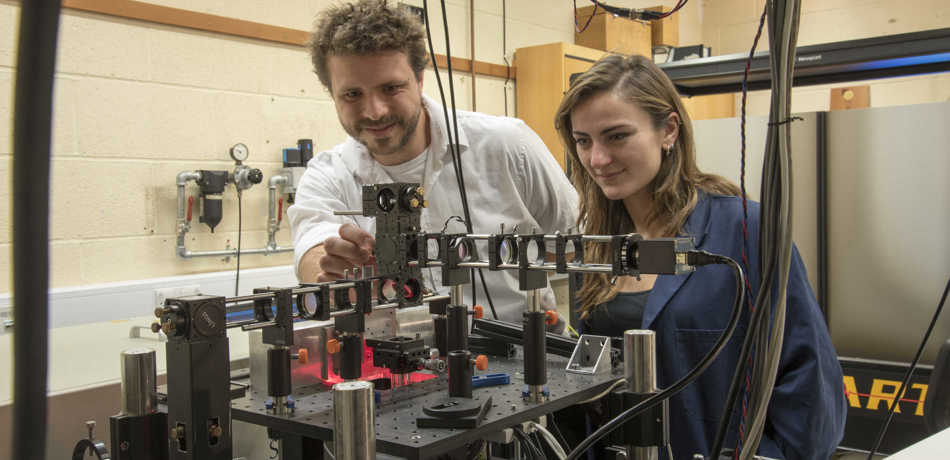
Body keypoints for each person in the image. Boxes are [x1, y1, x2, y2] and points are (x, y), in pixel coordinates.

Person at [554, 54, 846, 459]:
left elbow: (810, 378)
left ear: (669, 130)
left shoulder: (745, 230)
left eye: (617, 136)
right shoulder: (597, 245)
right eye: (584, 141)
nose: (597, 160)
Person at [287, 0, 578, 324]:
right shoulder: (327, 174)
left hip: (525, 358)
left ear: (420, 78)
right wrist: (332, 267)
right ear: (333, 94)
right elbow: (311, 251)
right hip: (402, 369)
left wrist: (515, 267)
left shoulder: (507, 144)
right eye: (352, 94)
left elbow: (573, 240)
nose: (374, 110)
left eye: (391, 87)